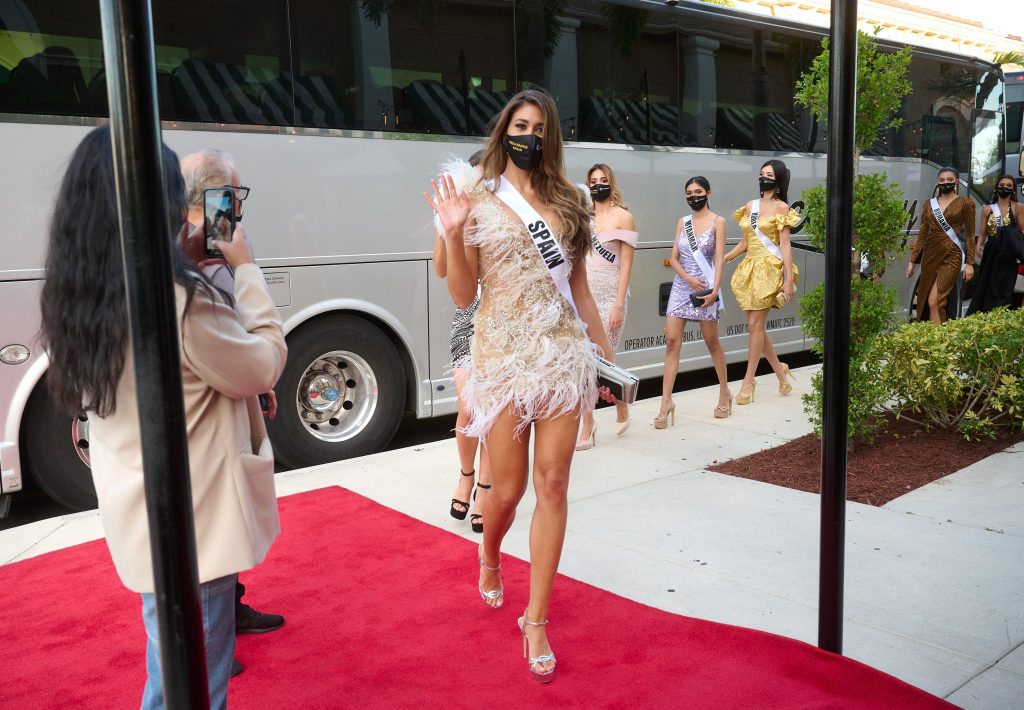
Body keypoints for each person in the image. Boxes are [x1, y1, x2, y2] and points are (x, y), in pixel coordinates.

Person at [39, 126, 287, 709]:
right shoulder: (178, 299)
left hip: (141, 515)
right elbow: (264, 363)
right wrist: (246, 269)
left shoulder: (83, 293)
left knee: (171, 667)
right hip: (195, 523)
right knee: (193, 685)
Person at [423, 89, 616, 683]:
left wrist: (607, 361)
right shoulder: (474, 196)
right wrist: (453, 232)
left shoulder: (570, 201)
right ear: (503, 129)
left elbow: (579, 290)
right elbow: (462, 294)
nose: (528, 136)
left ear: (550, 137)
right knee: (505, 492)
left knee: (553, 482)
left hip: (561, 356)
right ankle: (489, 554)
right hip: (503, 359)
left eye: (539, 128)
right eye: (519, 124)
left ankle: (536, 620)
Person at [180, 150, 286, 670]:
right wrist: (246, 266)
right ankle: (207, 643)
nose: (238, 208)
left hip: (232, 380)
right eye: (232, 195)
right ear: (209, 196)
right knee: (210, 534)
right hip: (207, 415)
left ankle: (228, 612)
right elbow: (228, 328)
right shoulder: (187, 266)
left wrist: (252, 383)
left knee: (223, 526)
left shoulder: (213, 247)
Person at [433, 150, 492, 533]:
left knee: (493, 409)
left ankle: (485, 488)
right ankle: (466, 476)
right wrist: (447, 229)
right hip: (467, 317)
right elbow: (441, 269)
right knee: (469, 406)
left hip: (502, 316)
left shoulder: (504, 214)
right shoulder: (458, 213)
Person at [656, 176, 729, 427]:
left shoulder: (718, 222)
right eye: (689, 193)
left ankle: (725, 393)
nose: (693, 196)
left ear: (708, 193)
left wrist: (714, 290)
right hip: (681, 287)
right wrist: (687, 278)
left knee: (712, 342)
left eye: (698, 191)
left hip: (705, 290)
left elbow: (719, 260)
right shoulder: (683, 222)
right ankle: (666, 402)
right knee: (671, 342)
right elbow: (674, 258)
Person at [724, 159, 798, 405]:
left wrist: (788, 278)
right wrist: (726, 257)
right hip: (750, 268)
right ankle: (780, 371)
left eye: (769, 175)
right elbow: (746, 242)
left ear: (778, 180)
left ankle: (748, 381)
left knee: (755, 325)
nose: (763, 178)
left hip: (770, 269)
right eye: (761, 173)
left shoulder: (782, 207)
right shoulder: (750, 206)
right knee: (756, 327)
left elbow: (785, 244)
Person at [576, 163, 636, 448]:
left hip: (611, 294)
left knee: (605, 358)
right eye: (593, 181)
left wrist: (618, 305)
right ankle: (588, 424)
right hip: (584, 294)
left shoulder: (624, 217)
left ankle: (621, 402)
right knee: (583, 360)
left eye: (602, 180)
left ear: (611, 182)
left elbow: (626, 266)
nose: (597, 184)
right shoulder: (583, 215)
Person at [905, 166, 976, 323]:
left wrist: (970, 263)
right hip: (930, 254)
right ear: (937, 182)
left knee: (935, 301)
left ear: (956, 181)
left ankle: (940, 337)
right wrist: (912, 261)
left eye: (950, 180)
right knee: (927, 300)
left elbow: (970, 235)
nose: (945, 183)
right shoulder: (929, 204)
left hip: (952, 254)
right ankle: (935, 334)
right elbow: (922, 234)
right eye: (942, 180)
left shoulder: (965, 203)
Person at [967, 174, 1024, 314]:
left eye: (1009, 186)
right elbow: (983, 233)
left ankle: (1003, 315)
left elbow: (1022, 231)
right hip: (991, 252)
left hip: (1009, 254)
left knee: (1005, 288)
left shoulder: (1018, 207)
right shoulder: (987, 209)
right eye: (1002, 185)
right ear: (997, 188)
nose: (1005, 188)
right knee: (987, 286)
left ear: (1013, 190)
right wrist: (979, 245)